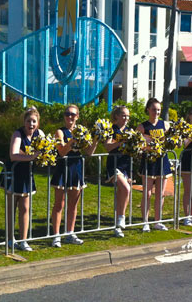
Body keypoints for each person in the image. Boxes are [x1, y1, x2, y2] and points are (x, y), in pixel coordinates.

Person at [50, 105, 99, 247]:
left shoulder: (83, 131)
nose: (69, 117)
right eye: (67, 114)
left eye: (72, 114)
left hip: (76, 169)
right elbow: (62, 152)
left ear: (77, 116)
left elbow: (89, 152)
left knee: (73, 204)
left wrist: (96, 138)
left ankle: (70, 233)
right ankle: (56, 235)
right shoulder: (60, 132)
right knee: (59, 203)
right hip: (62, 169)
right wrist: (74, 139)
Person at [0, 106, 44, 251]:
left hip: (27, 175)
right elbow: (13, 154)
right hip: (13, 174)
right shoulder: (17, 134)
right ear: (24, 121)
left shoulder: (40, 134)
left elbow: (46, 149)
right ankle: (10, 239)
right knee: (12, 207)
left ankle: (23, 240)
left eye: (34, 121)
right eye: (29, 121)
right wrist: (31, 156)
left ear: (37, 123)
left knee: (25, 208)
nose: (31, 124)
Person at [136, 98, 172, 232]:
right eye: (153, 109)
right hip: (149, 162)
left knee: (160, 193)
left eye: (158, 110)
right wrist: (148, 147)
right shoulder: (142, 127)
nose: (156, 112)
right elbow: (136, 146)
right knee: (147, 193)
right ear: (148, 110)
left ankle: (158, 221)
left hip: (162, 161)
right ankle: (145, 222)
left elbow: (171, 142)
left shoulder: (165, 125)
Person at [104, 106, 132, 238]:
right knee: (126, 189)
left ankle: (117, 226)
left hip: (125, 165)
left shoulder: (129, 131)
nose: (126, 118)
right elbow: (107, 146)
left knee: (121, 193)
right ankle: (122, 217)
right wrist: (120, 142)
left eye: (127, 116)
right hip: (114, 165)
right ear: (117, 116)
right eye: (123, 115)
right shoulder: (111, 129)